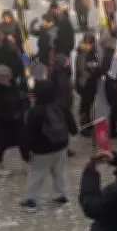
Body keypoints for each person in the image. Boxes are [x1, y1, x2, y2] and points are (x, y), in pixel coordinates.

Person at [20, 80, 78, 212]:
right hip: (61, 146)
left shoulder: (34, 112)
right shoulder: (62, 106)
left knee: (37, 175)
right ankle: (61, 195)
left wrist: (25, 152)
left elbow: (28, 134)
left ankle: (32, 201)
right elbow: (73, 127)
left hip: (42, 150)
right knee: (59, 172)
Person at [0, 65, 25, 176]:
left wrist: (21, 111)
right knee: (2, 145)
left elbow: (23, 99)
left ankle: (25, 164)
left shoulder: (14, 86)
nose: (4, 78)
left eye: (6, 75)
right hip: (2, 123)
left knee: (22, 142)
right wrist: (9, 116)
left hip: (17, 121)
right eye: (1, 76)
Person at [75, 33, 101, 134]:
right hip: (85, 83)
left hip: (91, 82)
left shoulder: (92, 52)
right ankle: (84, 127)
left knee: (88, 104)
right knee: (85, 105)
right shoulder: (82, 53)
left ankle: (88, 123)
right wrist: (91, 77)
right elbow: (82, 69)